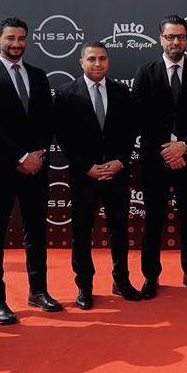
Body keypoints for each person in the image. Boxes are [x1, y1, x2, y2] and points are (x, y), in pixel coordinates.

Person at [0, 17, 61, 325]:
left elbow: (47, 120)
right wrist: (20, 157)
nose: (16, 44)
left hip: (35, 170)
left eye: (21, 38)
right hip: (0, 171)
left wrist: (37, 155)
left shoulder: (38, 76)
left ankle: (39, 291)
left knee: (36, 232)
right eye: (10, 38)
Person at [133, 15, 187, 298]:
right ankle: (151, 277)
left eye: (180, 37)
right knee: (153, 220)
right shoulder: (146, 72)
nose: (175, 42)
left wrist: (184, 146)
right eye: (170, 37)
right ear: (161, 39)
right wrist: (168, 149)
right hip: (155, 161)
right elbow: (140, 118)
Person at [53, 42, 139, 308]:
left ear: (108, 61)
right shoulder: (66, 94)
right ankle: (84, 287)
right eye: (92, 59)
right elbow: (63, 136)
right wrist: (86, 166)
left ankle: (121, 281)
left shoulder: (122, 92)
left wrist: (120, 161)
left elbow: (130, 131)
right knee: (82, 232)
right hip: (84, 176)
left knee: (119, 231)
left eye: (102, 58)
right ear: (81, 62)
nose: (98, 63)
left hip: (116, 174)